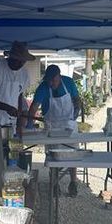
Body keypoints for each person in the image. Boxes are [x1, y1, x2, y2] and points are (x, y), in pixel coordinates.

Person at [28, 64, 81, 196]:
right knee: (53, 156)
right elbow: (34, 107)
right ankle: (55, 184)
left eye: (54, 80)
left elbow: (77, 101)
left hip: (69, 125)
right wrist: (29, 125)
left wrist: (74, 116)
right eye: (49, 80)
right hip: (52, 127)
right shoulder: (43, 88)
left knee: (72, 155)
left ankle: (73, 182)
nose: (51, 83)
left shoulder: (68, 82)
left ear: (59, 76)